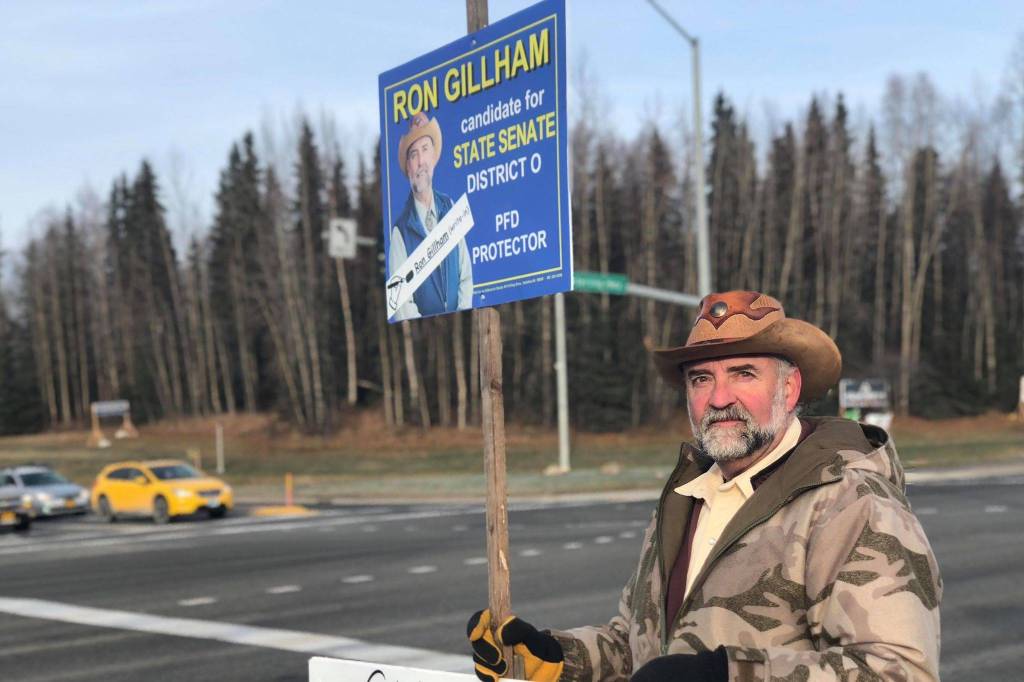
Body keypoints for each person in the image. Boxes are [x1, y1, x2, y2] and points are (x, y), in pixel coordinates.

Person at [467, 290, 942, 682]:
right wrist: (554, 658)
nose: (719, 398)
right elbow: (644, 646)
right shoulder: (687, 496)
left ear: (790, 389)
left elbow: (897, 671)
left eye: (743, 374)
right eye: (701, 379)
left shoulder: (850, 501)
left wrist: (725, 676)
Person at [388, 111, 473, 320]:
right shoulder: (400, 232)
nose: (420, 162)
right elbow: (400, 303)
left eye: (425, 150)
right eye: (413, 154)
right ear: (408, 167)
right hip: (426, 340)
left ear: (433, 157)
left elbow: (466, 277)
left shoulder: (451, 208)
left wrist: (461, 320)